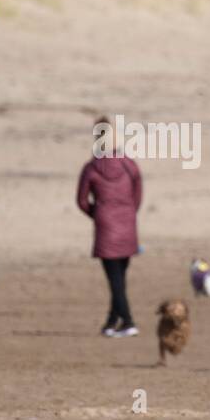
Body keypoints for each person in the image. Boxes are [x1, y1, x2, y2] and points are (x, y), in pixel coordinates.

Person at [77, 116, 143, 337]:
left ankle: (128, 321)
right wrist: (127, 213)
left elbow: (82, 201)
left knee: (115, 281)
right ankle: (112, 321)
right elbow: (137, 195)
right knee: (119, 278)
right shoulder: (129, 164)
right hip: (127, 225)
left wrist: (98, 214)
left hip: (106, 227)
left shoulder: (91, 168)